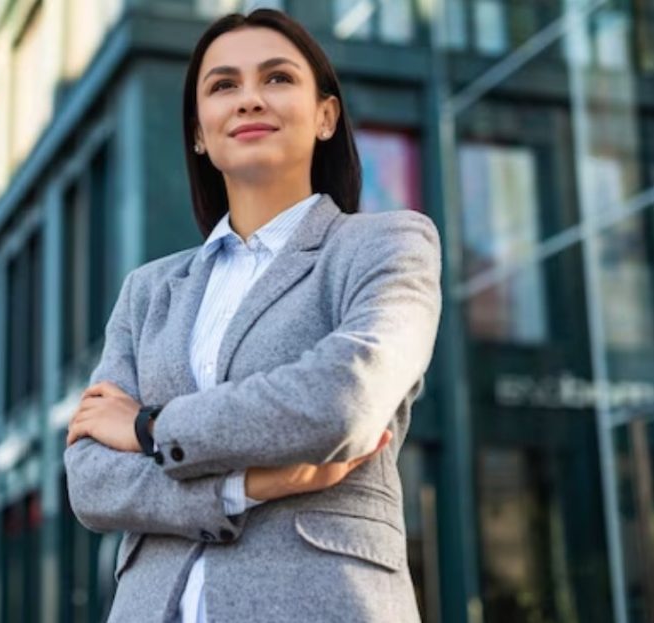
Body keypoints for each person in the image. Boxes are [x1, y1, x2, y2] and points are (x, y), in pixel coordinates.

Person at [64, 8, 441, 622]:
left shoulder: (388, 244)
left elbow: (341, 400)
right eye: (223, 86)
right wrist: (243, 487)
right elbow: (91, 481)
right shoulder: (148, 290)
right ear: (198, 132)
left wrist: (149, 428)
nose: (248, 100)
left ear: (326, 116)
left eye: (277, 78)